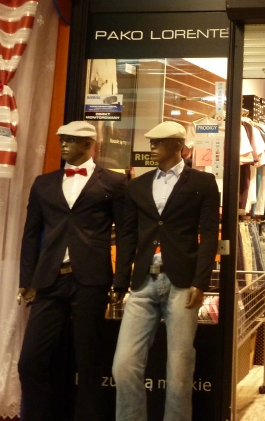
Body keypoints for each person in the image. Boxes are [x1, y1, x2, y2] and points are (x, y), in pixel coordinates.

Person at [17, 121, 127, 421]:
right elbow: (31, 234)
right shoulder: (44, 183)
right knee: (30, 360)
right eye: (62, 140)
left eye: (70, 140)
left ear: (89, 144)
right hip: (49, 279)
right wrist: (27, 279)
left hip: (91, 280)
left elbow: (126, 233)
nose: (63, 145)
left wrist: (120, 281)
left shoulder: (114, 183)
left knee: (89, 361)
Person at [111, 121, 219, 421]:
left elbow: (209, 233)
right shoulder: (138, 186)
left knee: (180, 368)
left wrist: (201, 280)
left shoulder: (202, 183)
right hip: (143, 281)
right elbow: (127, 236)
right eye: (151, 141)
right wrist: (120, 282)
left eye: (159, 142)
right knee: (123, 365)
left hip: (182, 282)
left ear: (177, 146)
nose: (152, 146)